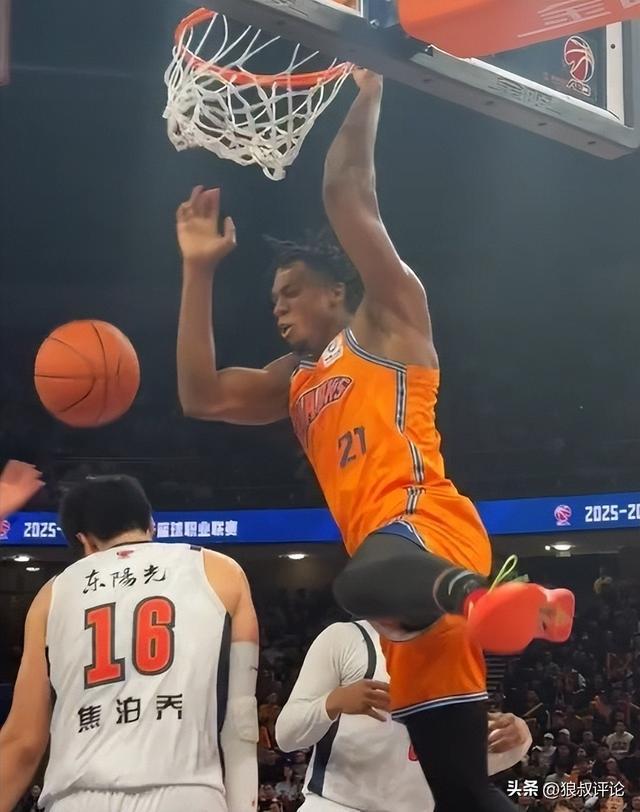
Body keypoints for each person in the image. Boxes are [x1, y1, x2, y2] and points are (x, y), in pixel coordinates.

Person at [176, 68, 573, 810]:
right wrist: (197, 271)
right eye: (271, 300)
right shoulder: (293, 380)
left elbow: (348, 194)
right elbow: (201, 396)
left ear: (337, 289)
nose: (277, 308)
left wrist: (368, 89)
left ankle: (485, 597)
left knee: (355, 583)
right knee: (461, 790)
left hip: (430, 531)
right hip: (407, 599)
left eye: (291, 291)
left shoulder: (389, 321)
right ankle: (479, 605)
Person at [0, 475, 259, 812]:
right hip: (188, 793)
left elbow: (23, 741)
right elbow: (241, 721)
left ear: (84, 542)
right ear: (151, 524)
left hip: (79, 798)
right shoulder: (220, 571)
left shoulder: (52, 595)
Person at [275, 620, 532, 811]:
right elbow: (287, 737)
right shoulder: (348, 638)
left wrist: (518, 739)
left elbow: (466, 769)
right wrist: (333, 702)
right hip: (336, 805)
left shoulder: (460, 659)